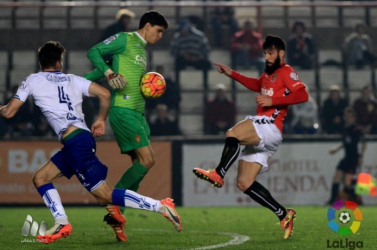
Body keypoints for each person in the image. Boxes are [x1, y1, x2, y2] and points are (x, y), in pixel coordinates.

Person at [0, 41, 182, 244]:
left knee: (106, 195)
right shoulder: (73, 80)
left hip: (76, 143)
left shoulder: (32, 80)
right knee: (41, 178)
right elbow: (104, 94)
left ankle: (161, 206)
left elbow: (8, 112)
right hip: (78, 141)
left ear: (41, 62)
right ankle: (61, 222)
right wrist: (100, 120)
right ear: (59, 63)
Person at [193, 34, 309, 240]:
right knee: (244, 183)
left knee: (233, 133)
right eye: (265, 52)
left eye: (271, 52)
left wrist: (273, 99)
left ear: (281, 53)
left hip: (270, 126)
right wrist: (232, 74)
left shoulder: (286, 71)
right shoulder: (268, 74)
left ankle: (218, 173)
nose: (267, 56)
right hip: (267, 135)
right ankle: (284, 214)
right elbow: (258, 84)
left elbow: (303, 95)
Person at [83, 11, 170, 241]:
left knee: (138, 168)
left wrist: (86, 79)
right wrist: (109, 74)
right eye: (159, 31)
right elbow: (94, 52)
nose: (160, 36)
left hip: (138, 113)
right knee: (148, 160)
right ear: (148, 25)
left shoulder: (140, 50)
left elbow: (96, 71)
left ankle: (117, 220)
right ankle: (113, 205)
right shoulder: (124, 38)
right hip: (124, 110)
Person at [326, 107, 366, 205]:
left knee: (348, 183)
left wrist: (361, 155)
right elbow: (345, 143)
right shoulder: (345, 128)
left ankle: (356, 200)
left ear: (354, 118)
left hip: (353, 158)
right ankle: (332, 201)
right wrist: (336, 149)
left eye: (350, 117)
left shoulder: (356, 129)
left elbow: (364, 142)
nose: (348, 119)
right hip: (346, 158)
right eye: (346, 117)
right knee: (336, 177)